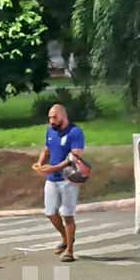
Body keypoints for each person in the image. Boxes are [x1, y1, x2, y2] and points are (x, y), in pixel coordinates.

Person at [32, 104, 85, 262]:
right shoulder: (50, 131)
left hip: (68, 179)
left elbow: (74, 157)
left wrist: (54, 168)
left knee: (67, 215)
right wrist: (40, 163)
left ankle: (69, 251)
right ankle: (66, 238)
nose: (51, 120)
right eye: (49, 117)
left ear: (63, 116)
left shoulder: (75, 132)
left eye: (54, 117)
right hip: (52, 179)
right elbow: (47, 149)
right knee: (50, 212)